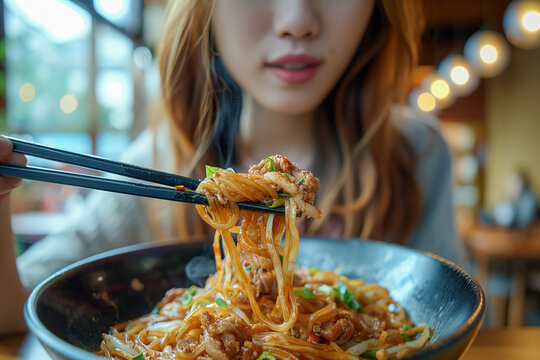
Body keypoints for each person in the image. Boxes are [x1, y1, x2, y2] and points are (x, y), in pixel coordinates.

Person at [0, 0, 462, 335]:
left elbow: (442, 319)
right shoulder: (156, 160)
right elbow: (14, 309)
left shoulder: (416, 155)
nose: (298, 20)